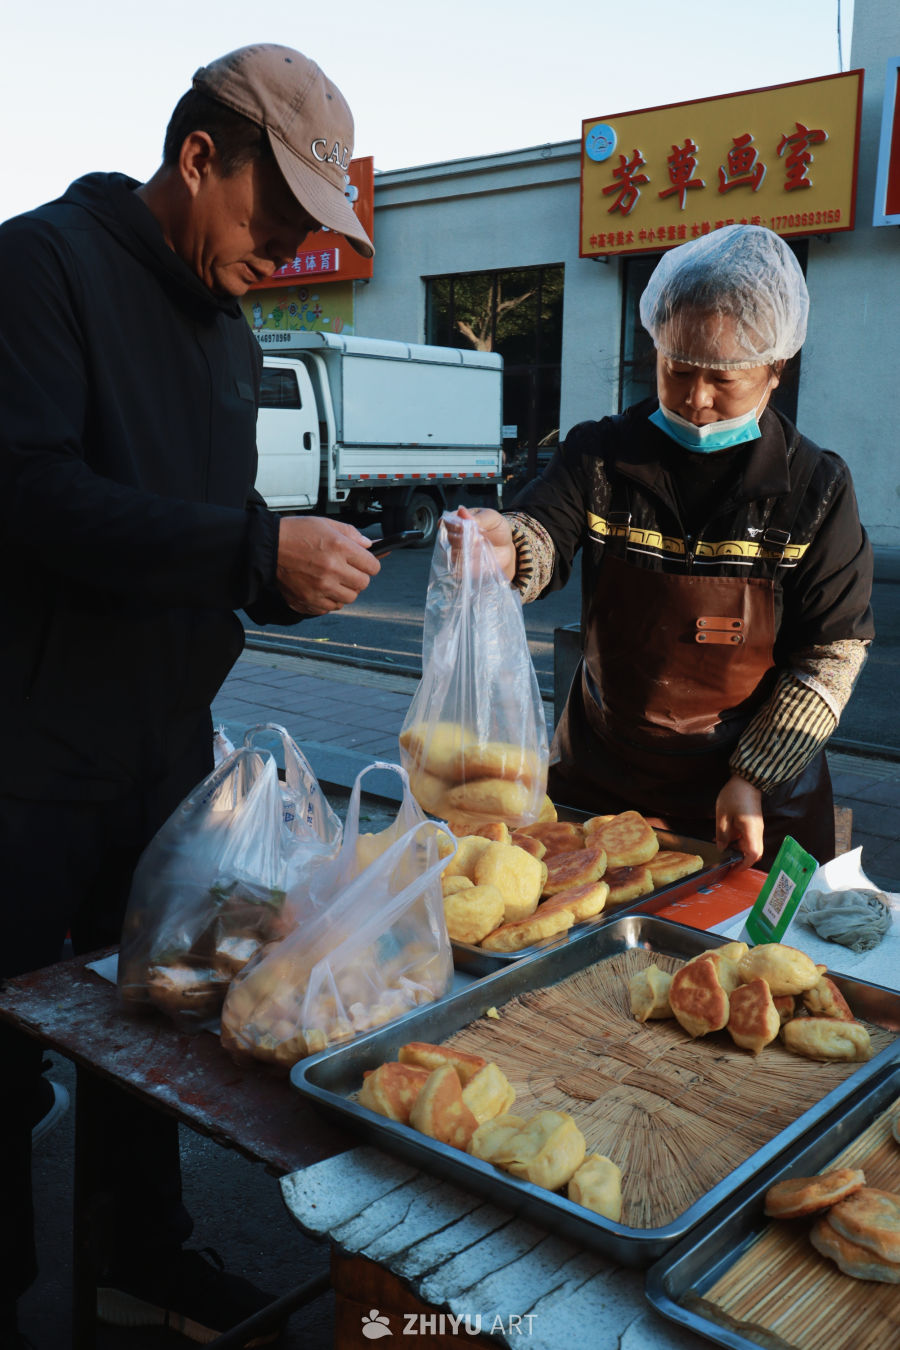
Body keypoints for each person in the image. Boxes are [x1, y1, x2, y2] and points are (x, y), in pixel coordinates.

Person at [0, 44, 378, 1349]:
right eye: (277, 214)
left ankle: (141, 1259)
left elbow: (208, 532)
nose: (286, 248)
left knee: (160, 1023)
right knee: (2, 1056)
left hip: (160, 757)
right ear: (200, 156)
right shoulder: (40, 267)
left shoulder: (226, 328)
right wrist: (252, 551)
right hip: (24, 755)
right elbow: (33, 492)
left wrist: (293, 576)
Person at [450, 225, 873, 872]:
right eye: (678, 369)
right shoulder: (601, 455)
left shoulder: (815, 490)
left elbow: (831, 653)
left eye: (723, 379)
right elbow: (543, 527)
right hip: (604, 781)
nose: (697, 399)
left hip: (753, 796)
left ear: (774, 370)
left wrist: (754, 774)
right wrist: (505, 547)